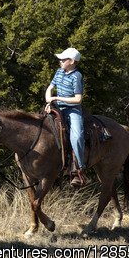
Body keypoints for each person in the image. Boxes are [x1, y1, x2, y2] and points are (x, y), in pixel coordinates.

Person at [45, 47, 84, 187]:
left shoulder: (77, 76)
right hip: (57, 107)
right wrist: (49, 100)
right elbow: (50, 88)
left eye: (63, 59)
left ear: (72, 61)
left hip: (72, 110)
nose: (60, 61)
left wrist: (56, 97)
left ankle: (79, 168)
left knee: (77, 136)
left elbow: (78, 100)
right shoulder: (59, 72)